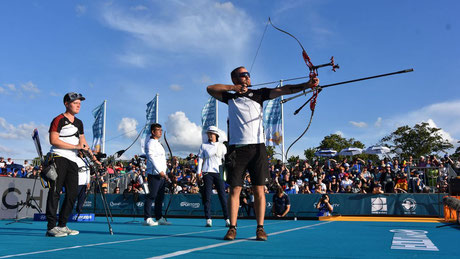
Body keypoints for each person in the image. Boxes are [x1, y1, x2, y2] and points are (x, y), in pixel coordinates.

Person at [207, 66, 319, 241]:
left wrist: (307, 84)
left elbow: (284, 90)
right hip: (237, 148)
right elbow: (210, 89)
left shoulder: (259, 94)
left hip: (257, 148)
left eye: (248, 74)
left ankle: (260, 228)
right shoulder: (230, 97)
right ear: (236, 79)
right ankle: (232, 228)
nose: (248, 77)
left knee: (258, 189)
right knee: (235, 189)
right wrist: (233, 88)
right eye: (244, 75)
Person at [46, 92, 99, 237]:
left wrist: (94, 159)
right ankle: (51, 227)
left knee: (73, 193)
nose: (78, 105)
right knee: (55, 192)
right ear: (66, 104)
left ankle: (62, 225)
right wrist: (76, 147)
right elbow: (53, 140)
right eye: (75, 103)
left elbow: (83, 143)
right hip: (58, 157)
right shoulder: (58, 119)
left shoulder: (79, 123)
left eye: (79, 103)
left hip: (73, 161)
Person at [196, 126, 230, 227]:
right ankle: (208, 219)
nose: (209, 135)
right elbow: (200, 159)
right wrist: (199, 173)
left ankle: (227, 218)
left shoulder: (222, 146)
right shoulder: (203, 146)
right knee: (207, 196)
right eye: (208, 133)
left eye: (211, 133)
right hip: (207, 173)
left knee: (222, 196)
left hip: (218, 173)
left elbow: (225, 160)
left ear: (216, 135)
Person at [143, 123, 170, 226]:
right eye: (158, 130)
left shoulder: (159, 144)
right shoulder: (150, 143)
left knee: (160, 197)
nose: (160, 132)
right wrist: (160, 171)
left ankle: (159, 217)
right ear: (153, 132)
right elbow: (152, 158)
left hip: (162, 174)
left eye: (161, 130)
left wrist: (165, 172)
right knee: (151, 196)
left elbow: (161, 160)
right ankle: (147, 218)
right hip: (154, 174)